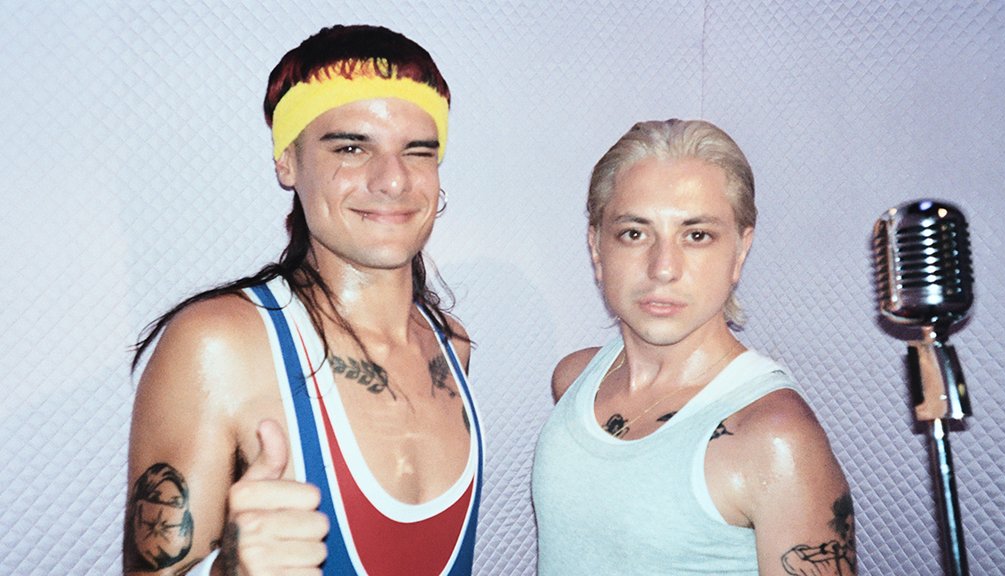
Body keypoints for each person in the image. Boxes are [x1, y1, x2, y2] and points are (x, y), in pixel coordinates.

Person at [124, 25, 482, 576]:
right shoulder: (218, 345)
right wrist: (228, 571)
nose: (393, 180)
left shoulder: (451, 347)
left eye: (418, 151)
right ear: (287, 161)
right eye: (351, 148)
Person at [532, 119, 856, 575]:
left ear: (739, 251)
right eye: (634, 233)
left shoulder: (774, 438)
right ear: (597, 249)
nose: (663, 268)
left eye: (696, 235)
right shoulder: (574, 380)